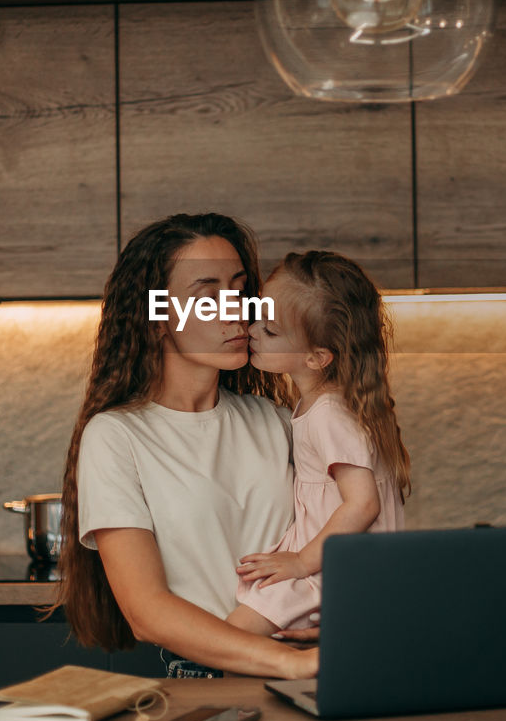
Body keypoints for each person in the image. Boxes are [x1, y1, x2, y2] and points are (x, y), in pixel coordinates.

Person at [47, 213, 318, 680]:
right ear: (155, 319)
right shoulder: (116, 437)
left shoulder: (277, 421)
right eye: (208, 296)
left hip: (306, 664)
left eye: (239, 289)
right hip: (213, 677)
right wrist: (291, 664)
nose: (235, 310)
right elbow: (147, 611)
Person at [227, 251, 411, 636]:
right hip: (337, 568)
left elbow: (364, 503)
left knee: (230, 639)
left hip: (328, 572)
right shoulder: (324, 404)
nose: (252, 330)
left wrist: (301, 562)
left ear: (316, 357)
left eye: (271, 331)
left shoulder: (329, 413)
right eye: (258, 315)